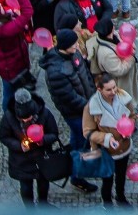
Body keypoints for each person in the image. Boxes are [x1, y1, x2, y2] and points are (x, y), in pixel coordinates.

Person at [38, 28, 98, 194]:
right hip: (75, 113)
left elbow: (86, 75)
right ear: (64, 47)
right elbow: (69, 98)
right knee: (79, 141)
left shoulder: (74, 54)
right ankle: (76, 176)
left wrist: (93, 96)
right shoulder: (56, 71)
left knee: (80, 140)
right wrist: (89, 106)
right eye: (74, 44)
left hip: (87, 106)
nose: (77, 46)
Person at [83, 73, 138, 209]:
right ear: (99, 89)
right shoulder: (91, 107)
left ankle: (121, 197)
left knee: (121, 176)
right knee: (107, 179)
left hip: (124, 146)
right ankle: (107, 203)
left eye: (114, 87)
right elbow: (87, 132)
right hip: (106, 150)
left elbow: (132, 116)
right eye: (109, 89)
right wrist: (106, 138)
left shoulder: (124, 97)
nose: (113, 92)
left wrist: (129, 129)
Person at [0, 88, 60, 208]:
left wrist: (42, 140)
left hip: (42, 158)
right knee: (26, 186)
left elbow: (54, 134)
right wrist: (19, 146)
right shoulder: (9, 117)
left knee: (43, 183)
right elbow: (4, 137)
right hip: (21, 160)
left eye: (29, 117)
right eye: (23, 119)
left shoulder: (45, 114)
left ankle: (43, 204)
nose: (26, 120)